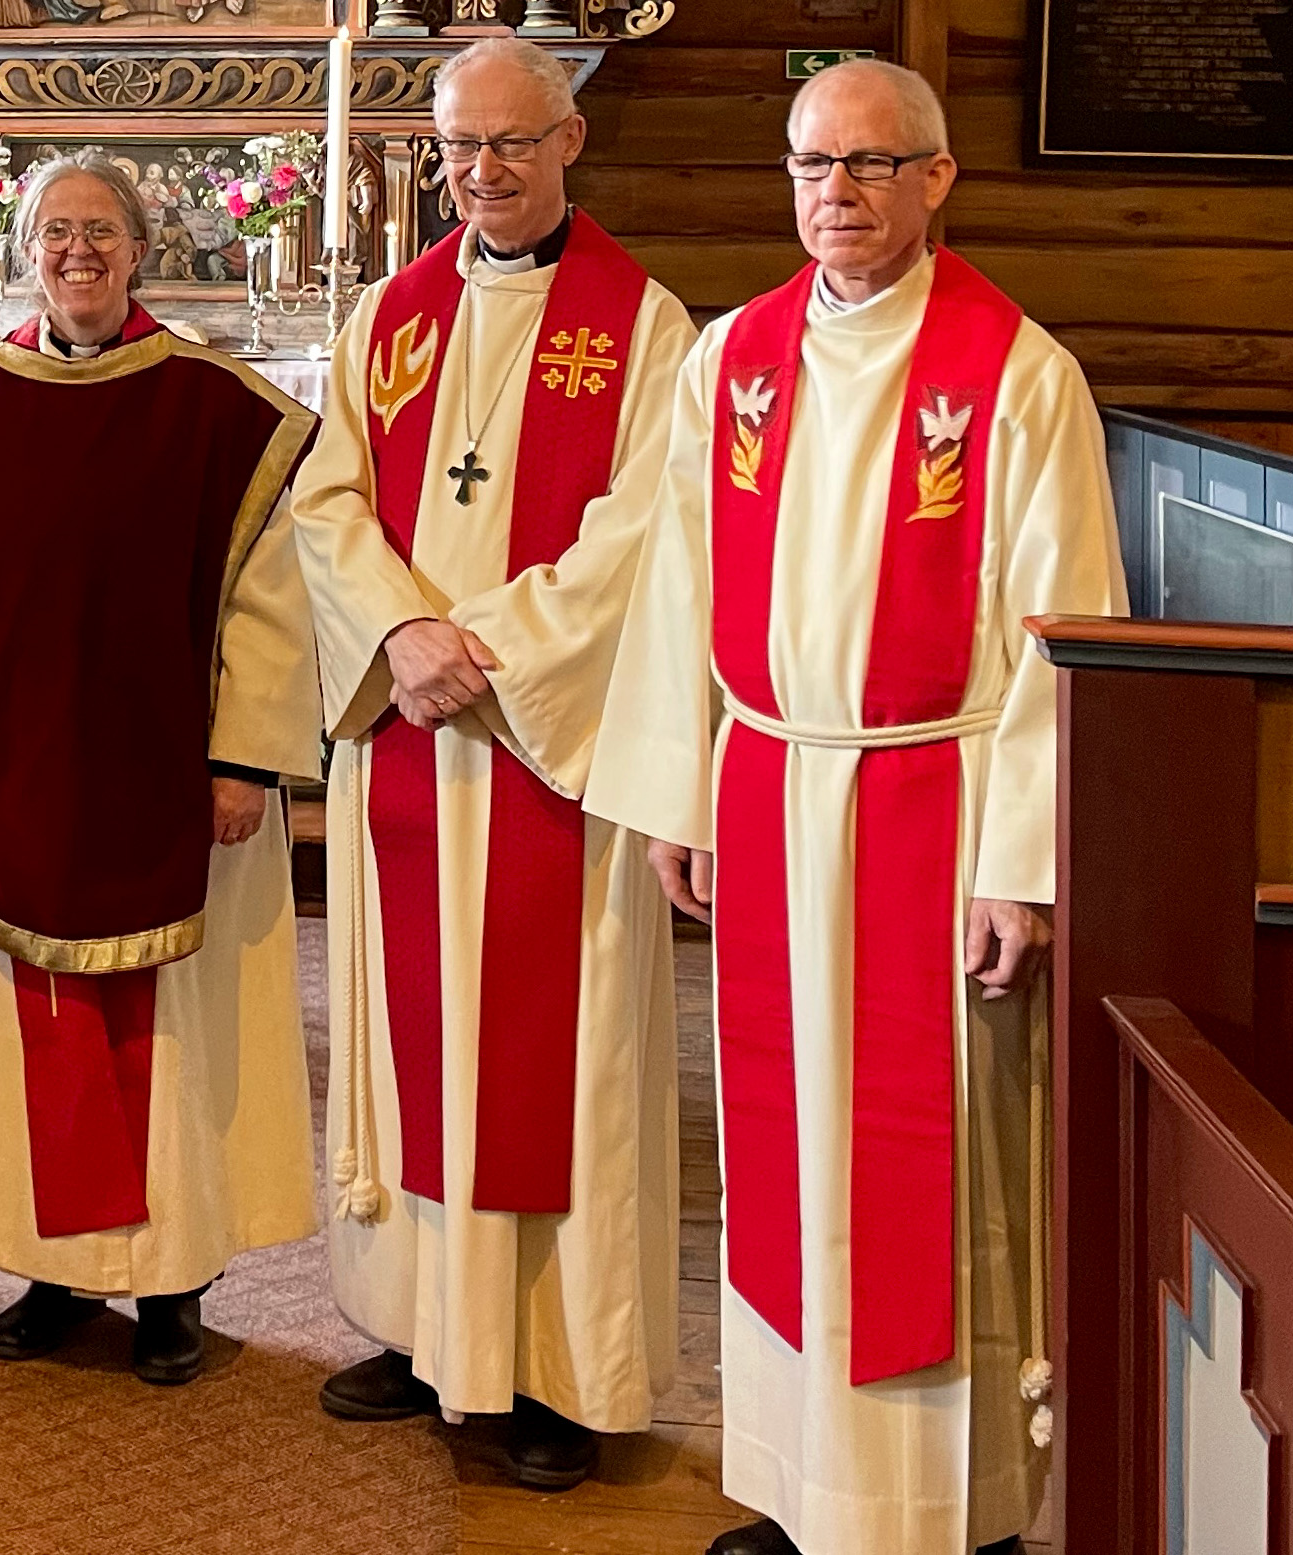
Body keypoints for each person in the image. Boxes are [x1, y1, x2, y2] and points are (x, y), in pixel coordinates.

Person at [584, 60, 1125, 1555]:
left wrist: (1015, 865)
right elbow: (675, 583)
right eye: (812, 166)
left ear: (937, 179)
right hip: (766, 782)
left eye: (872, 166)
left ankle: (945, 1509)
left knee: (927, 1152)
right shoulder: (732, 359)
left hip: (930, 804)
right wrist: (675, 790)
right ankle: (792, 1478)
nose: (837, 194)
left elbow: (1060, 629)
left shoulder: (1014, 374)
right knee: (782, 1144)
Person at [285, 37, 694, 1488]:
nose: (482, 172)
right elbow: (322, 495)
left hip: (540, 749)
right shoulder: (387, 317)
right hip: (409, 736)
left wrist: (486, 647)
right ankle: (414, 1326)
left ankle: (548, 1371)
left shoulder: (640, 328)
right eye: (459, 147)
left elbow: (644, 532)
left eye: (510, 143)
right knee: (404, 1045)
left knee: (554, 1057)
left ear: (568, 141)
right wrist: (399, 630)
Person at [0, 151, 321, 1385]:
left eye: (100, 232)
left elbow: (273, 601)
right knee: (34, 1033)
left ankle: (172, 1280)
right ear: (22, 248)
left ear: (140, 250)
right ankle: (51, 1264)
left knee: (172, 1035)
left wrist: (245, 759)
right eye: (55, 231)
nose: (77, 253)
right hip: (13, 780)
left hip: (171, 785)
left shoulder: (216, 407)